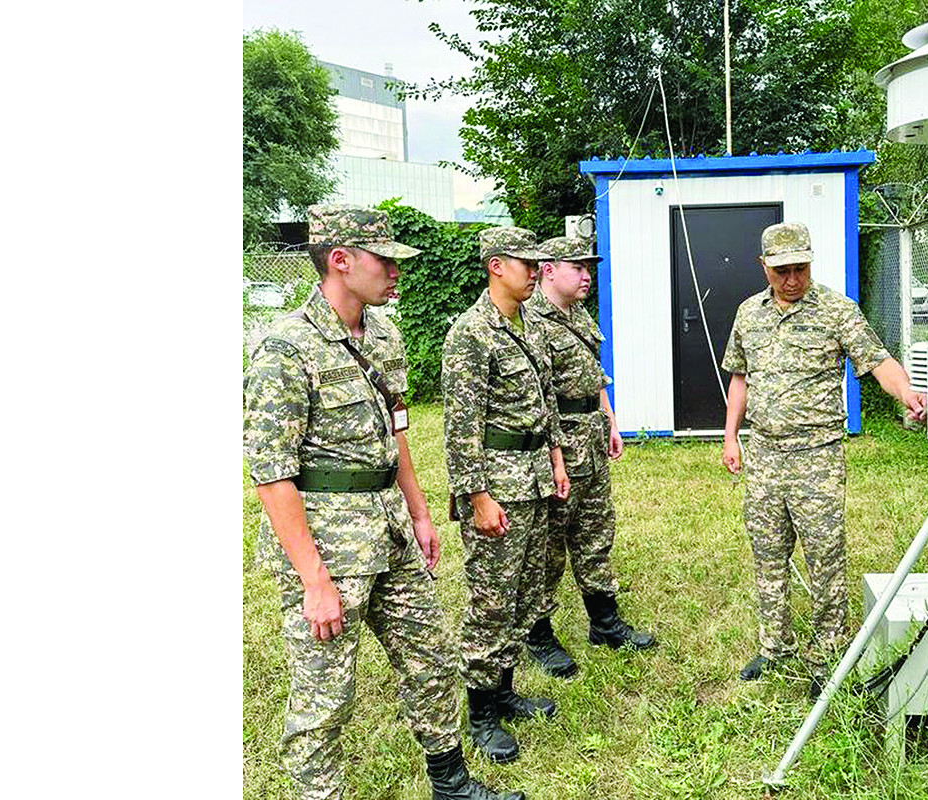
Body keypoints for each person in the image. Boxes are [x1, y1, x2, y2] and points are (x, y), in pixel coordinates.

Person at [244, 204, 524, 800]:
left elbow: (396, 429)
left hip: (391, 531)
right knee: (325, 696)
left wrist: (420, 512)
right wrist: (314, 580)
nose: (397, 271)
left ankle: (451, 784)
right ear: (341, 261)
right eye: (385, 259)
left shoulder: (384, 335)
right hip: (331, 548)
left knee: (431, 658)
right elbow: (271, 477)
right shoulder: (285, 349)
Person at [719, 221, 927, 687]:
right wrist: (731, 436)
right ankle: (775, 644)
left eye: (800, 268)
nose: (792, 279)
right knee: (768, 553)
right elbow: (740, 378)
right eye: (781, 271)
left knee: (825, 554)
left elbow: (878, 362)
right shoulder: (748, 314)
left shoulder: (836, 310)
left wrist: (907, 394)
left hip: (817, 455)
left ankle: (827, 652)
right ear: (763, 267)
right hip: (766, 454)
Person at [441, 226, 572, 763]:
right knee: (491, 600)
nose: (536, 270)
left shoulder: (530, 326)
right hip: (499, 485)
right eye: (527, 262)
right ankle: (480, 713)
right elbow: (460, 427)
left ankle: (505, 689)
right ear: (497, 266)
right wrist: (476, 497)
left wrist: (558, 459)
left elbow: (548, 404)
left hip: (537, 475)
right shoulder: (470, 334)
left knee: (523, 593)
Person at [520, 236, 656, 680]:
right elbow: (538, 397)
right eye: (576, 266)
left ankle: (605, 622)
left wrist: (611, 421)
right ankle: (537, 634)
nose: (586, 274)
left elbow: (594, 376)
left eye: (588, 266)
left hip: (592, 438)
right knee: (548, 547)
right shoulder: (531, 321)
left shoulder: (577, 314)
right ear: (547, 270)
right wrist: (557, 452)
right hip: (559, 445)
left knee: (596, 534)